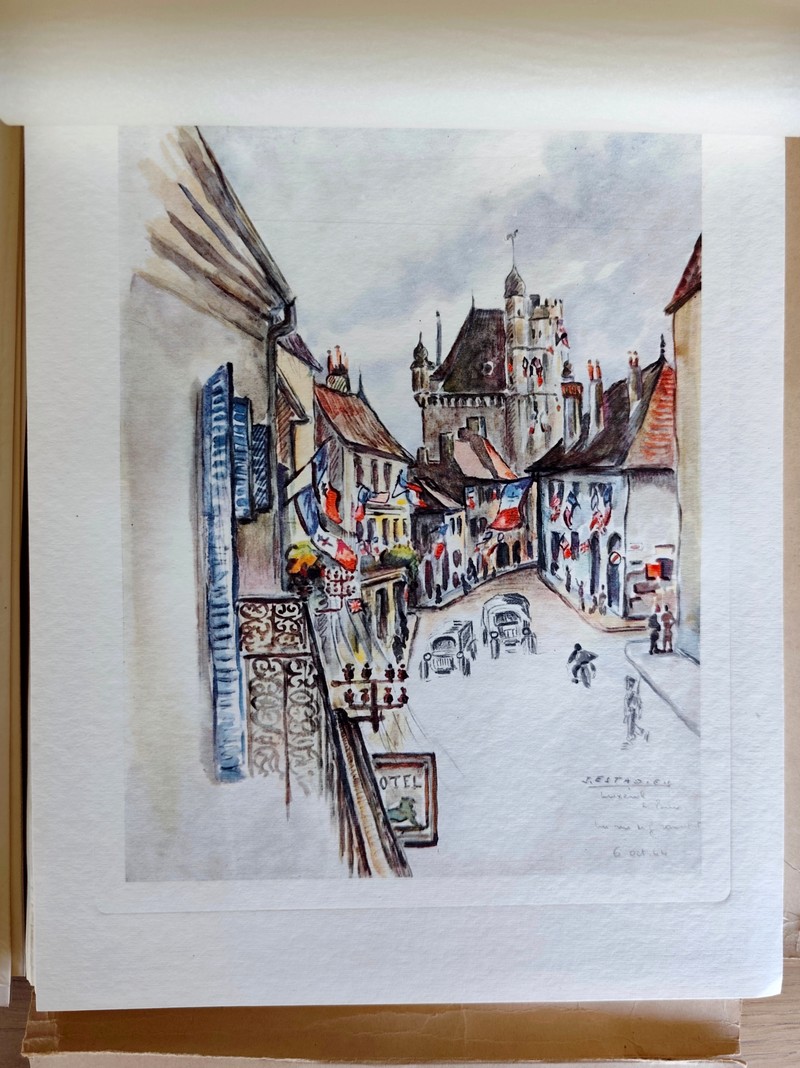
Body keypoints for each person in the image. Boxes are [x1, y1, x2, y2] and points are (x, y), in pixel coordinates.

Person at [623, 675, 648, 747]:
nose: (626, 684)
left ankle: (631, 737)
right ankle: (641, 733)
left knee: (631, 725)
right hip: (630, 711)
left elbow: (638, 703)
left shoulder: (633, 693)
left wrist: (639, 712)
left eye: (627, 682)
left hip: (631, 711)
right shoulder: (630, 693)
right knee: (631, 725)